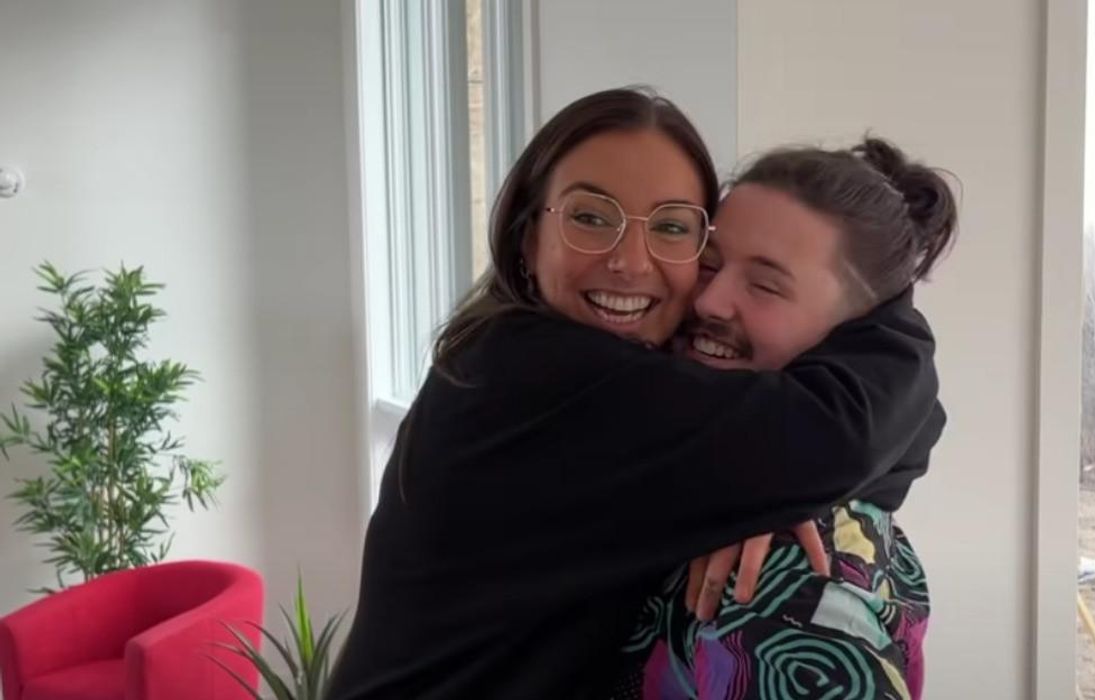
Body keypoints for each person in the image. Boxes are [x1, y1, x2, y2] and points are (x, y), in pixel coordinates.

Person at [327, 88, 943, 699]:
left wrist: (774, 490)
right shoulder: (528, 375)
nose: (629, 261)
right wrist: (786, 478)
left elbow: (905, 431)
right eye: (590, 217)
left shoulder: (657, 402)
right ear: (526, 234)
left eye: (674, 229)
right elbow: (849, 437)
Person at [619, 139, 957, 700]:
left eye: (765, 285)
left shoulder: (792, 597)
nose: (711, 301)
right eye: (709, 264)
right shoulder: (714, 473)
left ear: (856, 332)